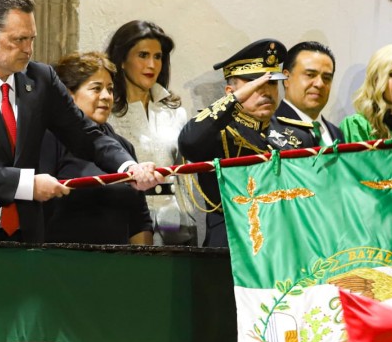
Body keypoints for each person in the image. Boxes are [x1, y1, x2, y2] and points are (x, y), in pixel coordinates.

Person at [0, 0, 161, 243]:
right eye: (19, 40)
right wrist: (27, 184)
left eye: (32, 39)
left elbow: (84, 134)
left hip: (24, 235)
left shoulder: (41, 79)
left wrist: (128, 167)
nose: (28, 49)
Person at [178, 39, 310, 248]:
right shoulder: (215, 131)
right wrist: (235, 100)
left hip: (284, 249)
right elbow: (188, 143)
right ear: (231, 92)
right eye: (254, 83)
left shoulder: (297, 134)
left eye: (271, 83)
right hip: (231, 249)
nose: (265, 91)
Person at [39, 51, 153, 245]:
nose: (107, 96)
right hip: (62, 262)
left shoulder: (123, 147)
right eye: (96, 88)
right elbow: (38, 210)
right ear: (68, 95)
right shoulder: (50, 138)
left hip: (117, 264)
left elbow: (139, 220)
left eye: (110, 89)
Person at [106, 20, 196, 246]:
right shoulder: (108, 112)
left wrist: (190, 216)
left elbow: (184, 175)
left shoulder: (175, 111)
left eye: (158, 57)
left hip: (175, 221)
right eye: (143, 55)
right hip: (126, 219)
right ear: (122, 60)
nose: (152, 64)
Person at [273, 41, 344, 146]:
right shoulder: (270, 130)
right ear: (286, 78)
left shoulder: (337, 134)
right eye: (310, 75)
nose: (319, 84)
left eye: (326, 78)